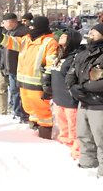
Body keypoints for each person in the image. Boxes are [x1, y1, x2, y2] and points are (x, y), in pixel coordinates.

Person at [0, 16, 58, 139]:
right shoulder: (26, 39)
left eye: (33, 27)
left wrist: (48, 83)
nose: (30, 29)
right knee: (30, 109)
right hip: (24, 83)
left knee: (43, 112)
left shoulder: (49, 42)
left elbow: (51, 64)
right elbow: (10, 42)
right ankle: (33, 131)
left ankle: (45, 135)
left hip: (38, 85)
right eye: (29, 27)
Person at [66, 24, 103, 178]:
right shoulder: (83, 53)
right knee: (83, 135)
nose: (91, 33)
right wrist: (73, 87)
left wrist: (84, 88)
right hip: (84, 101)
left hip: (99, 104)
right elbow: (71, 73)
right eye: (91, 31)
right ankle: (88, 164)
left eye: (95, 31)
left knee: (101, 138)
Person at [42, 29, 82, 160]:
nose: (61, 37)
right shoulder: (60, 55)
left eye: (65, 36)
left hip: (71, 100)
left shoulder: (76, 56)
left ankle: (77, 152)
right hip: (59, 98)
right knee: (63, 127)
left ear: (72, 40)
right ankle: (64, 148)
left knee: (74, 129)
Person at [1, 13, 30, 122]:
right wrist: (3, 65)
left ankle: (21, 113)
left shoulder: (23, 32)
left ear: (11, 22)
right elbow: (5, 52)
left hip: (20, 68)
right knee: (13, 91)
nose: (3, 25)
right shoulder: (9, 32)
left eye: (4, 22)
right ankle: (16, 110)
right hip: (11, 68)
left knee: (19, 92)